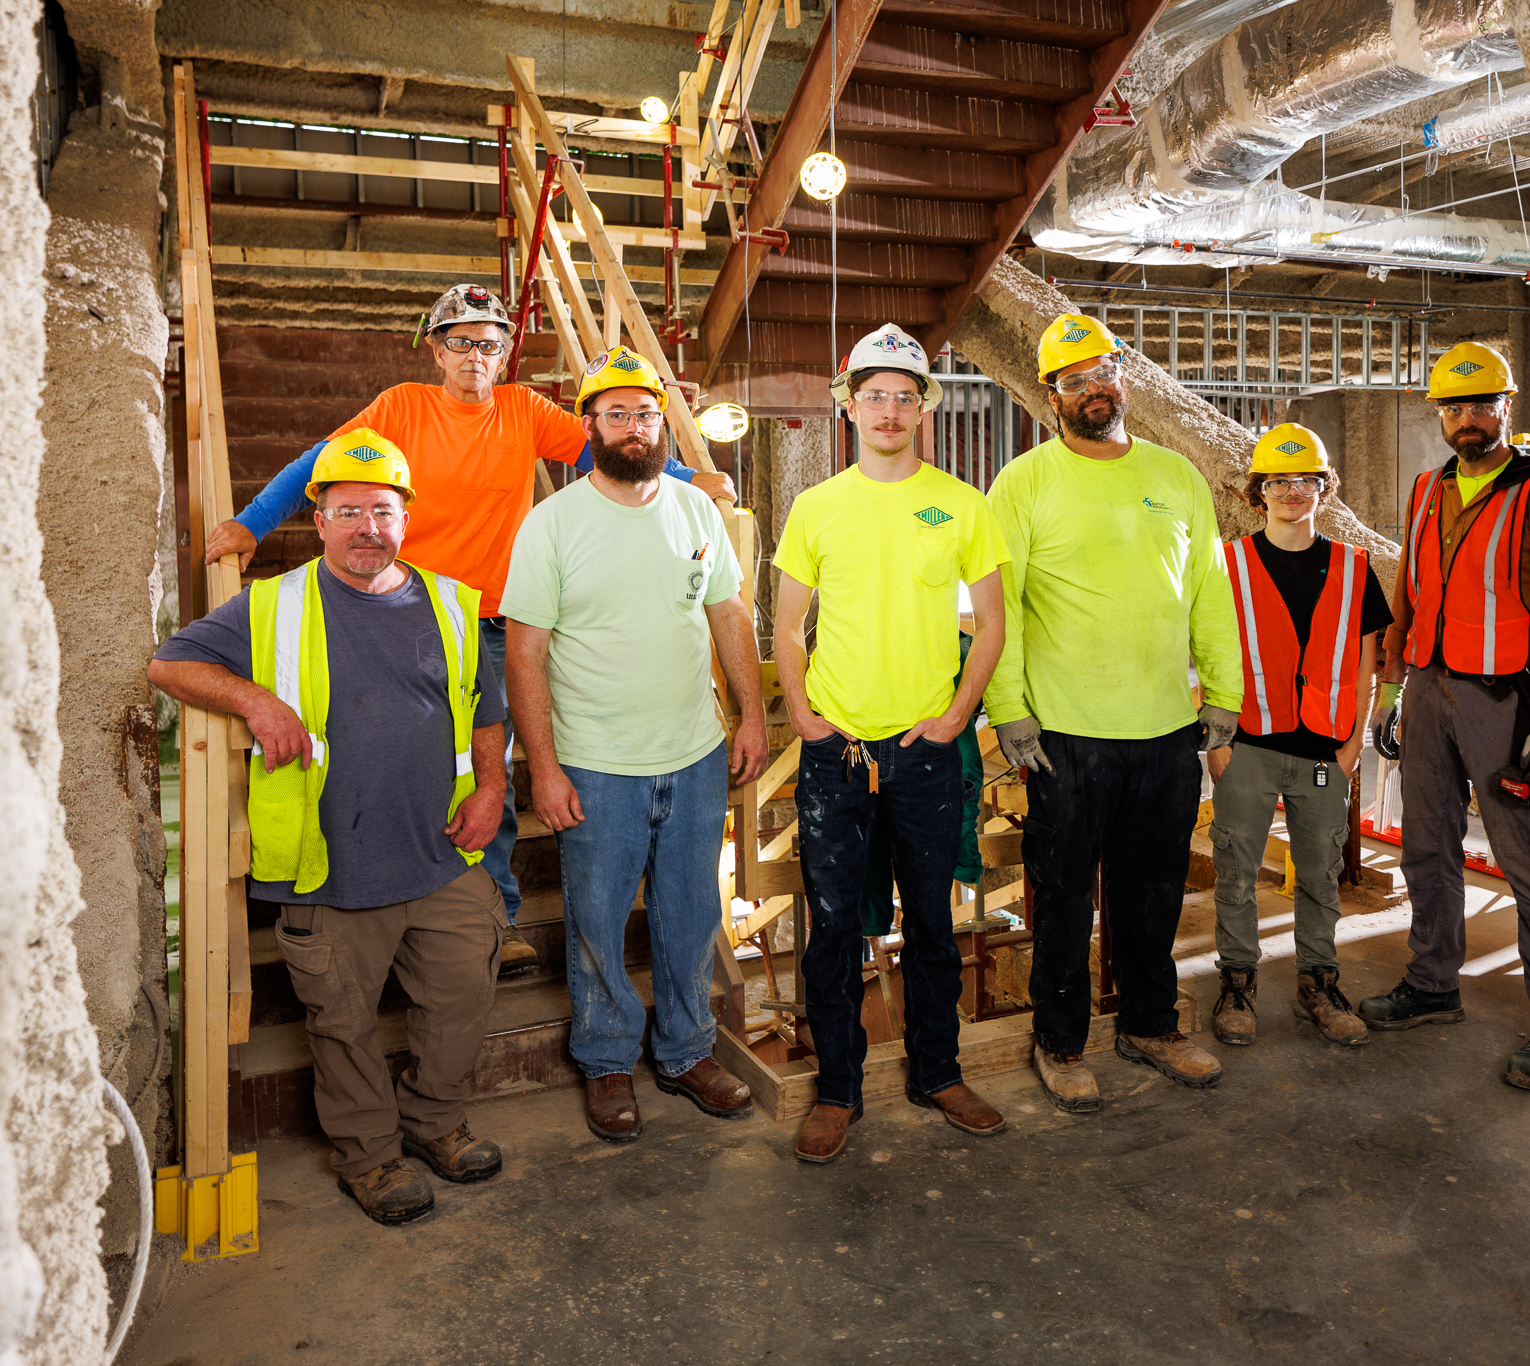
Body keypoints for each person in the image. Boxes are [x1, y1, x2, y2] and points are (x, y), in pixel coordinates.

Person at [201, 284, 738, 973]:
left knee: (488, 768)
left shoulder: (523, 410)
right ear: (435, 348)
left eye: (488, 342)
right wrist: (251, 524)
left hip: (497, 619)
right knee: (419, 763)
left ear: (506, 350)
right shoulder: (402, 405)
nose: (474, 356)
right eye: (459, 341)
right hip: (413, 617)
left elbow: (610, 446)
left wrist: (693, 478)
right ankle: (398, 904)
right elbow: (318, 465)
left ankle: (497, 913)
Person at [148, 430, 507, 1226]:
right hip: (329, 864)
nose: (366, 527)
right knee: (342, 1024)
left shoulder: (452, 599)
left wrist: (493, 785)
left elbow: (485, 708)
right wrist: (256, 701)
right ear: (318, 521)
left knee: (462, 997)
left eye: (382, 509)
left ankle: (435, 1120)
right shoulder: (274, 603)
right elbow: (169, 663)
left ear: (406, 518)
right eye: (347, 511)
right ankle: (371, 1159)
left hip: (443, 853)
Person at [502, 347, 769, 1141]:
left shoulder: (695, 512)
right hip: (596, 763)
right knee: (598, 921)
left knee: (690, 917)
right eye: (614, 414)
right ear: (589, 427)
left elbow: (727, 615)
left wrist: (749, 717)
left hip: (690, 753)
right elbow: (524, 652)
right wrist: (542, 770)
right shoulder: (553, 524)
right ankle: (608, 1059)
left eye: (644, 413)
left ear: (662, 423)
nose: (631, 427)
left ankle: (686, 1053)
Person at [984, 312, 1242, 1115]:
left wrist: (1225, 695)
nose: (1093, 388)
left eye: (1104, 370)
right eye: (1072, 380)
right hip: (1064, 734)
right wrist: (1008, 709)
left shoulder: (1177, 477)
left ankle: (1150, 1025)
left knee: (1155, 888)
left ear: (1122, 376)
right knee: (1063, 897)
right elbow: (1005, 607)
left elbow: (1208, 592)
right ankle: (1059, 1042)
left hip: (1165, 728)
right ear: (1049, 396)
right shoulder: (1023, 483)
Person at [771, 324, 1010, 1164]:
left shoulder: (962, 503)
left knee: (934, 927)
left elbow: (991, 624)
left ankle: (937, 1073)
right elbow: (787, 624)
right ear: (850, 407)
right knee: (834, 925)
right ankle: (838, 1090)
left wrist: (958, 716)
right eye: (874, 395)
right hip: (837, 749)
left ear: (923, 410)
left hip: (926, 749)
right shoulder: (817, 506)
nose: (889, 410)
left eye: (905, 396)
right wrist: (800, 710)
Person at [1358, 342, 1530, 1092]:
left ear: (1506, 407)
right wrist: (1393, 688)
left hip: (1508, 702)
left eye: (1481, 405)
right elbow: (1412, 593)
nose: (1467, 419)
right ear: (1440, 414)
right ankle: (1433, 984)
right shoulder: (1429, 490)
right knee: (1426, 849)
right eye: (1453, 407)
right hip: (1430, 690)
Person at [1210, 424, 1391, 1050]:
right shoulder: (1226, 563)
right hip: (1249, 744)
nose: (1293, 492)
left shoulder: (1354, 567)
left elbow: (1370, 660)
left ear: (1324, 489)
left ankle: (1319, 980)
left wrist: (1352, 749)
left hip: (1326, 748)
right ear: (1259, 492)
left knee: (1319, 876)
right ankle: (1237, 981)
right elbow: (1206, 654)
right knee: (1234, 870)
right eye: (1279, 481)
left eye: (1305, 480)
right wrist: (1216, 743)